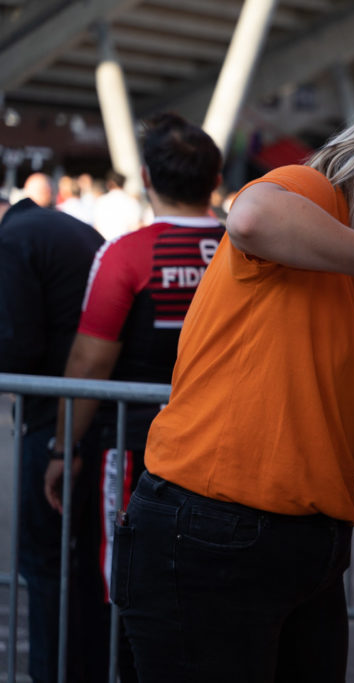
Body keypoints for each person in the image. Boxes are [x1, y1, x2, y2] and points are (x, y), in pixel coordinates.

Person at [116, 95, 354, 682]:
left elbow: (287, 397)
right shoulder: (313, 195)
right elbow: (252, 218)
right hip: (215, 531)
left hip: (303, 549)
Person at [42, 114, 226, 681]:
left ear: (146, 177)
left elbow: (90, 361)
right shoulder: (245, 251)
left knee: (123, 584)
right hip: (229, 444)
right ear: (215, 180)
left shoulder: (127, 254)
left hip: (135, 451)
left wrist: (60, 447)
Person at [0, 193, 105, 682]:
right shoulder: (53, 227)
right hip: (96, 413)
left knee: (43, 563)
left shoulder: (13, 240)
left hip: (58, 419)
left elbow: (18, 346)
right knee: (85, 564)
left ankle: (52, 671)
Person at [93, 170, 143, 240]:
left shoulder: (100, 201)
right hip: (127, 243)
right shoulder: (131, 201)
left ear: (109, 184)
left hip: (107, 245)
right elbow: (137, 226)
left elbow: (96, 227)